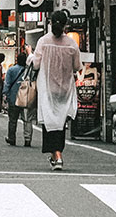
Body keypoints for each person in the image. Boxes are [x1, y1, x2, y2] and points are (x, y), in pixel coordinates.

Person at [31, 11, 81, 171]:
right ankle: (57, 155)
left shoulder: (43, 41)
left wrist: (30, 57)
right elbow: (77, 66)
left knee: (50, 122)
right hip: (65, 90)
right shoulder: (71, 44)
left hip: (47, 89)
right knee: (60, 123)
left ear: (50, 22)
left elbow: (36, 65)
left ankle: (56, 155)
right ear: (66, 24)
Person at [4, 52, 33, 147]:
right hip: (27, 98)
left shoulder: (11, 70)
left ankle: (12, 138)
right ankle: (27, 139)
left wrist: (5, 94)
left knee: (12, 120)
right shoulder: (29, 71)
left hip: (14, 98)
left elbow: (7, 83)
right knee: (27, 120)